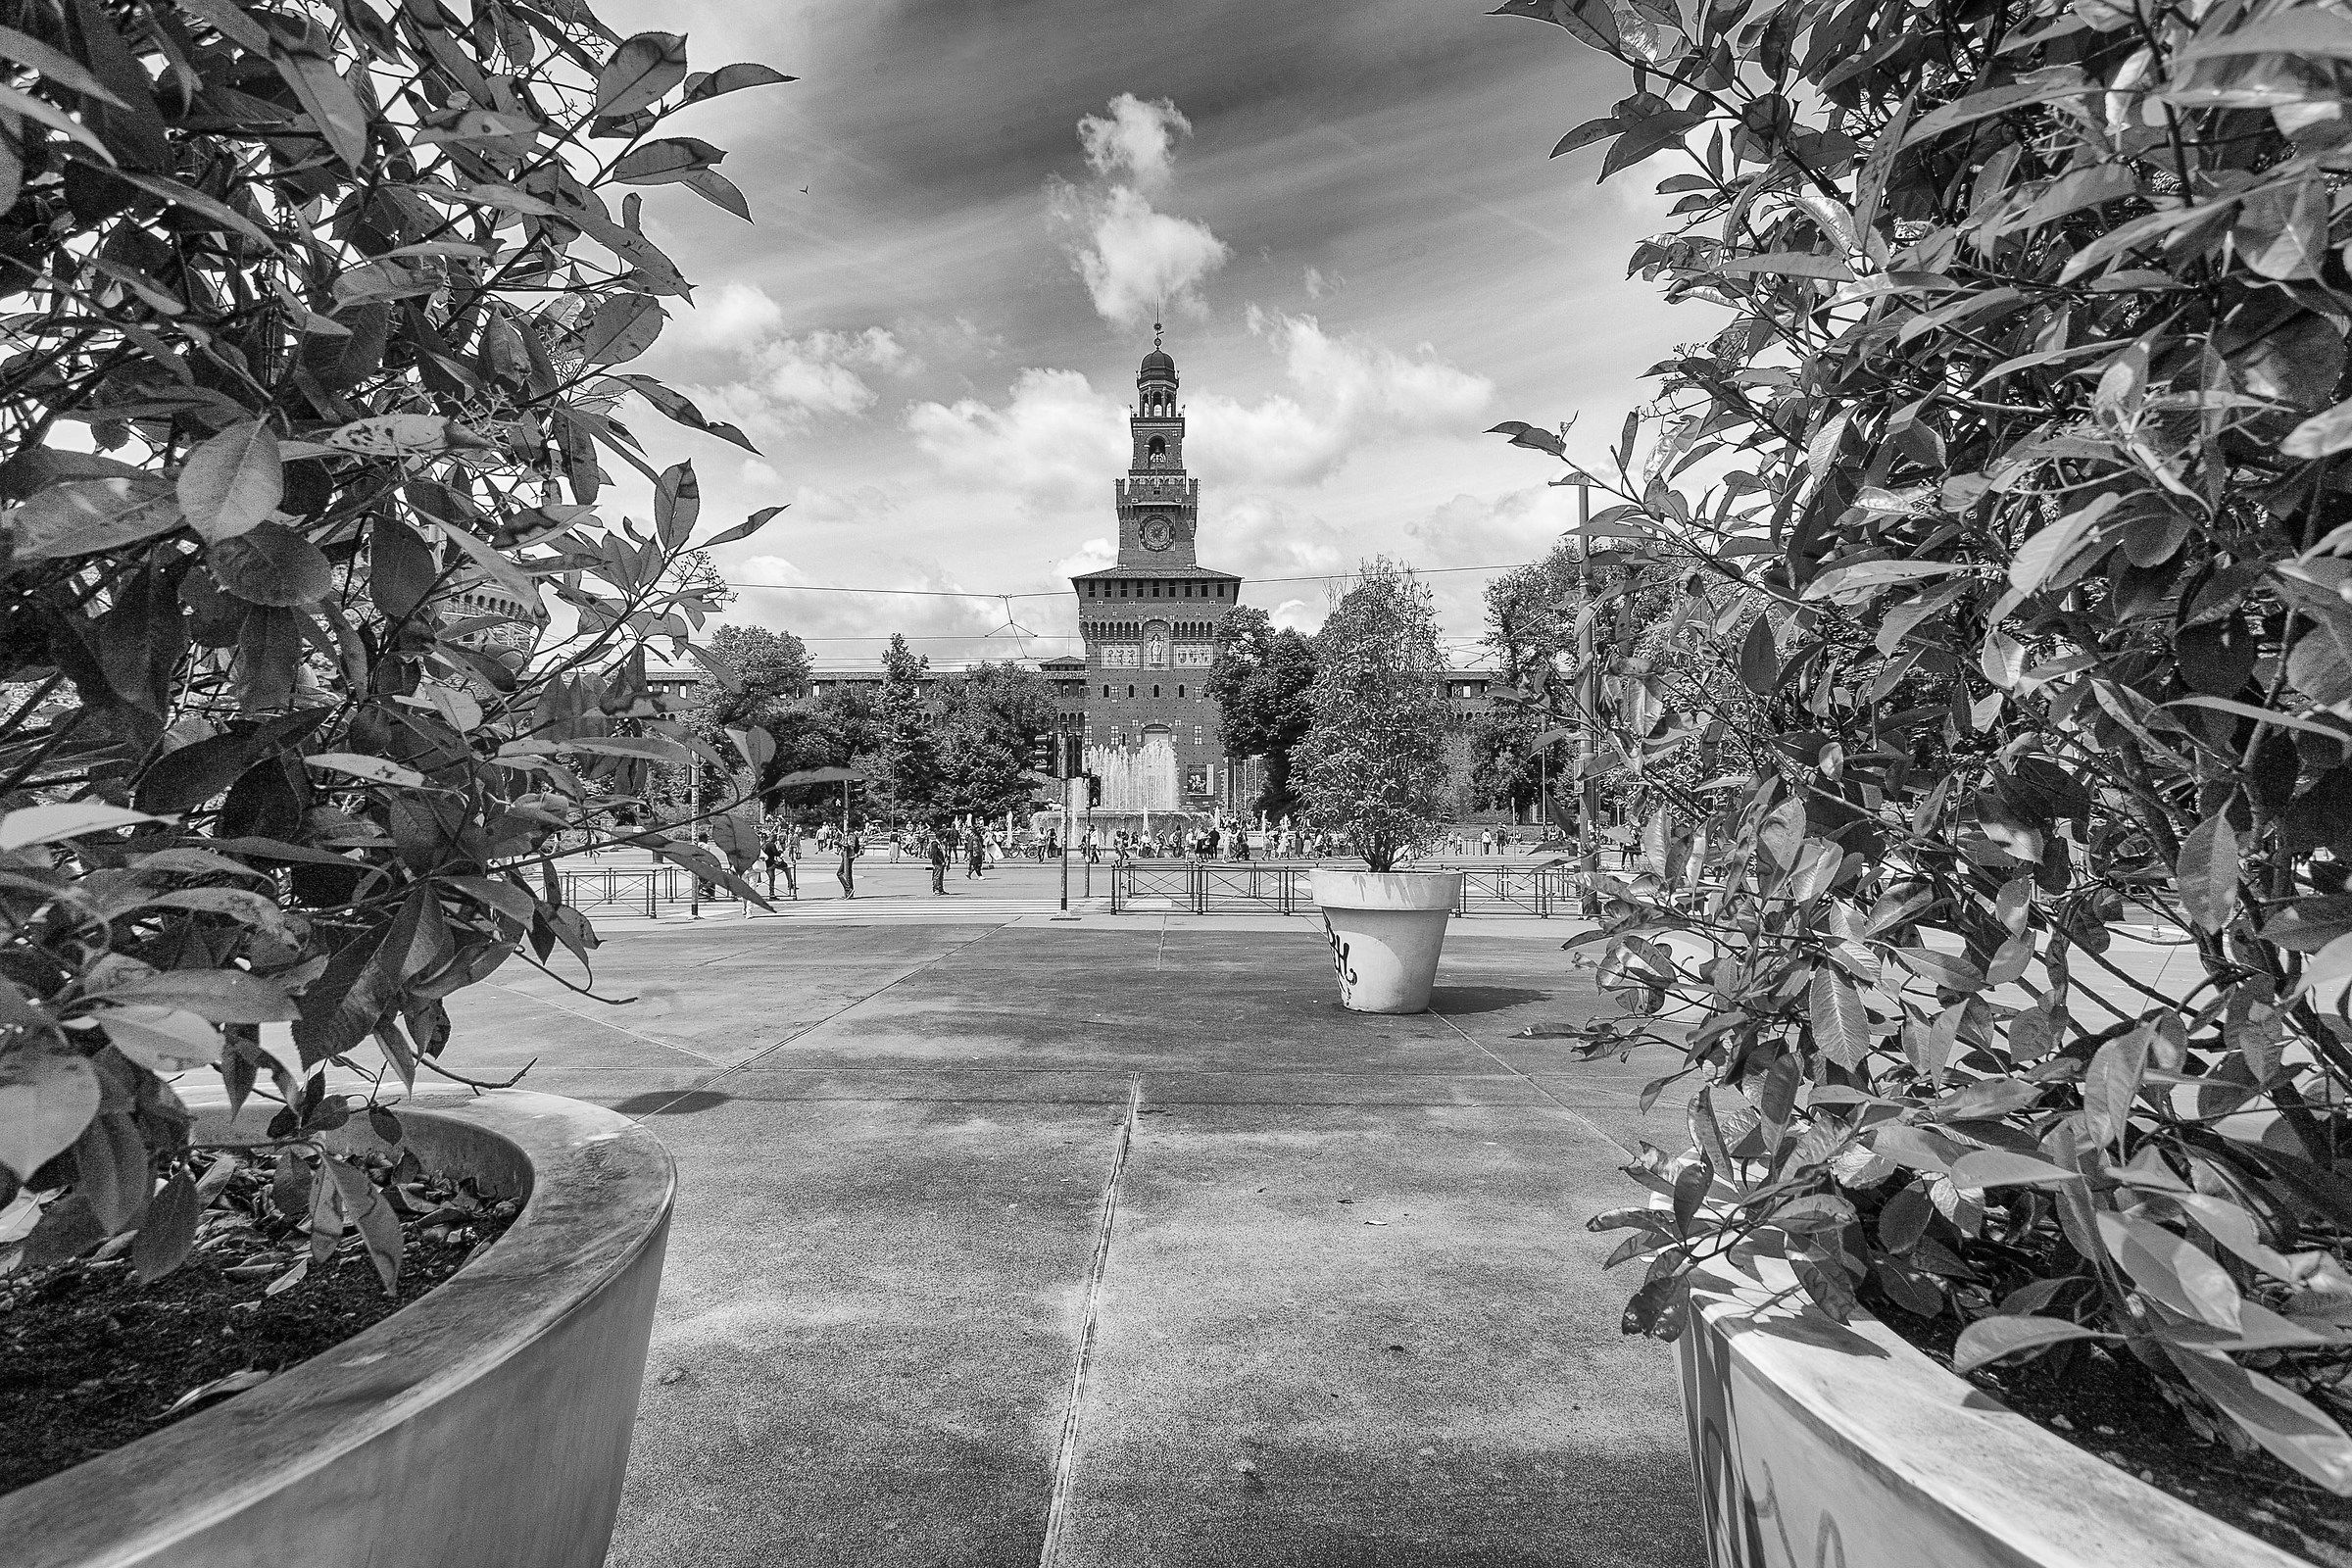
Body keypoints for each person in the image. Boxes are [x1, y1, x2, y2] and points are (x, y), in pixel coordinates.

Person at [835, 821, 859, 898]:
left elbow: (850, 846)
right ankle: (850, 892)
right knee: (848, 874)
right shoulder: (846, 835)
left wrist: (839, 844)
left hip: (849, 856)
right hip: (846, 856)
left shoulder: (851, 835)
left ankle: (848, 889)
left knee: (839, 873)